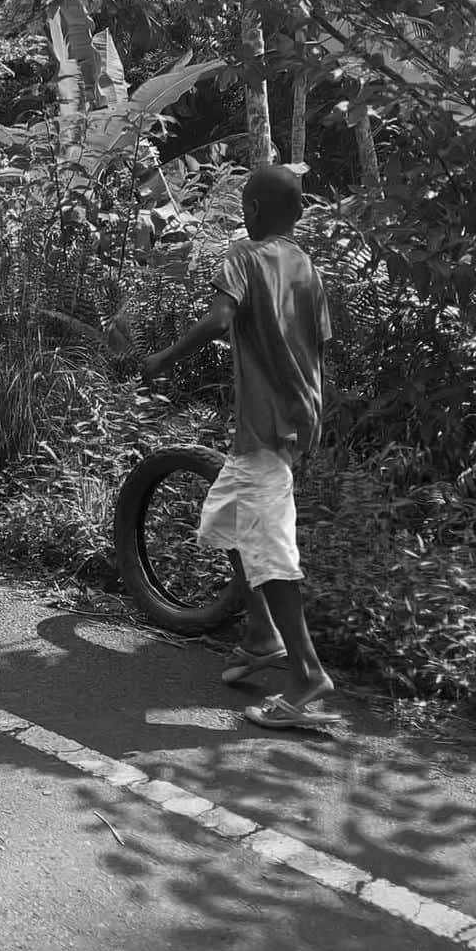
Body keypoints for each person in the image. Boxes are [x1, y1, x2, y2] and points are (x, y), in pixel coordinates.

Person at [142, 165, 339, 730]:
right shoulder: (305, 265)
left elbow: (218, 318)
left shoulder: (244, 259)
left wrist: (161, 359)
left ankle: (306, 675)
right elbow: (318, 347)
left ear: (250, 209)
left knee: (271, 554)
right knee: (223, 523)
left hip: (267, 429)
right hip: (292, 419)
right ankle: (261, 636)